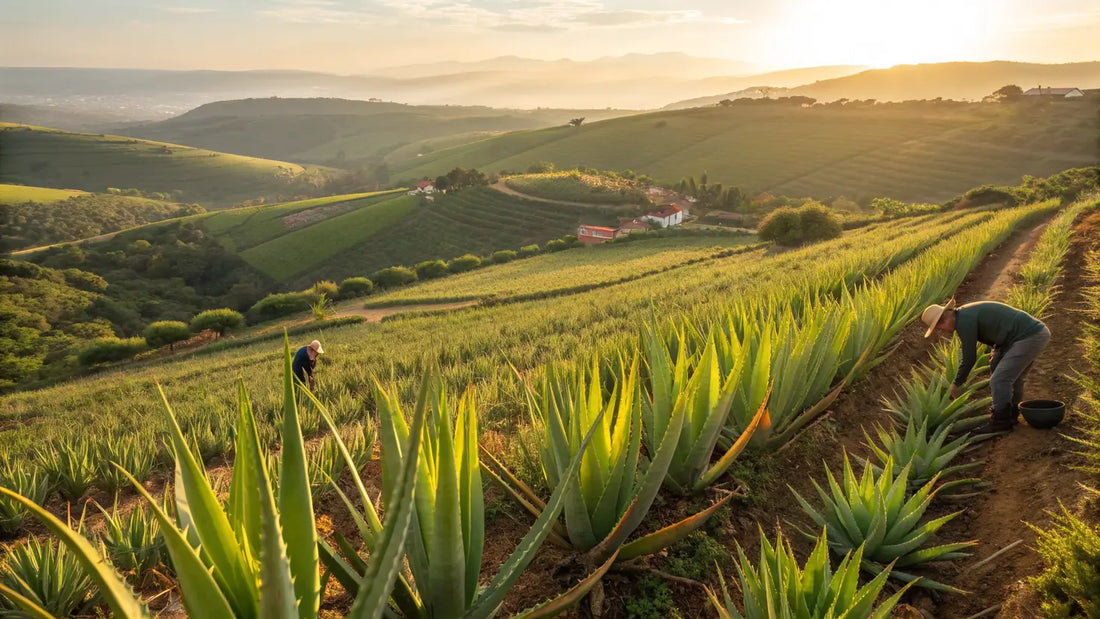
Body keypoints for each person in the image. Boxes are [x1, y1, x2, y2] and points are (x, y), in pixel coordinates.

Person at [921, 299, 1050, 432]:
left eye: (939, 328)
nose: (942, 330)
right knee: (1009, 376)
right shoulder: (964, 314)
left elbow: (969, 357)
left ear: (943, 321)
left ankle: (1001, 422)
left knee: (1000, 379)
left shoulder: (964, 321)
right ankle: (1010, 416)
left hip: (1029, 336)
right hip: (1024, 335)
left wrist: (956, 383)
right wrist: (996, 352)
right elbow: (995, 328)